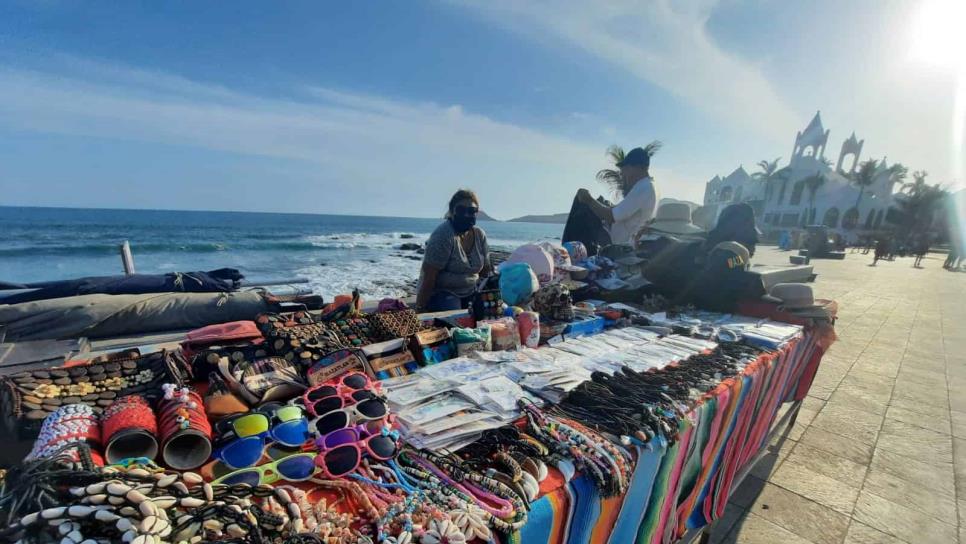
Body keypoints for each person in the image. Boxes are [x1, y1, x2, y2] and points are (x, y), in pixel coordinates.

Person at [415, 189, 491, 312]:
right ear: (451, 211)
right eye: (461, 210)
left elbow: (486, 270)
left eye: (472, 211)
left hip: (471, 290)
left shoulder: (479, 235)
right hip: (443, 293)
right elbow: (429, 277)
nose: (467, 215)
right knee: (456, 320)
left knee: (493, 313)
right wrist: (419, 310)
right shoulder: (443, 236)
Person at [575, 146, 659, 245]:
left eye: (625, 169)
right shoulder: (649, 186)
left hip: (622, 248)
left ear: (636, 167)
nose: (622, 174)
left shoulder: (643, 187)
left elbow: (611, 216)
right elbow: (621, 212)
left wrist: (588, 199)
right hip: (623, 243)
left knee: (582, 207)